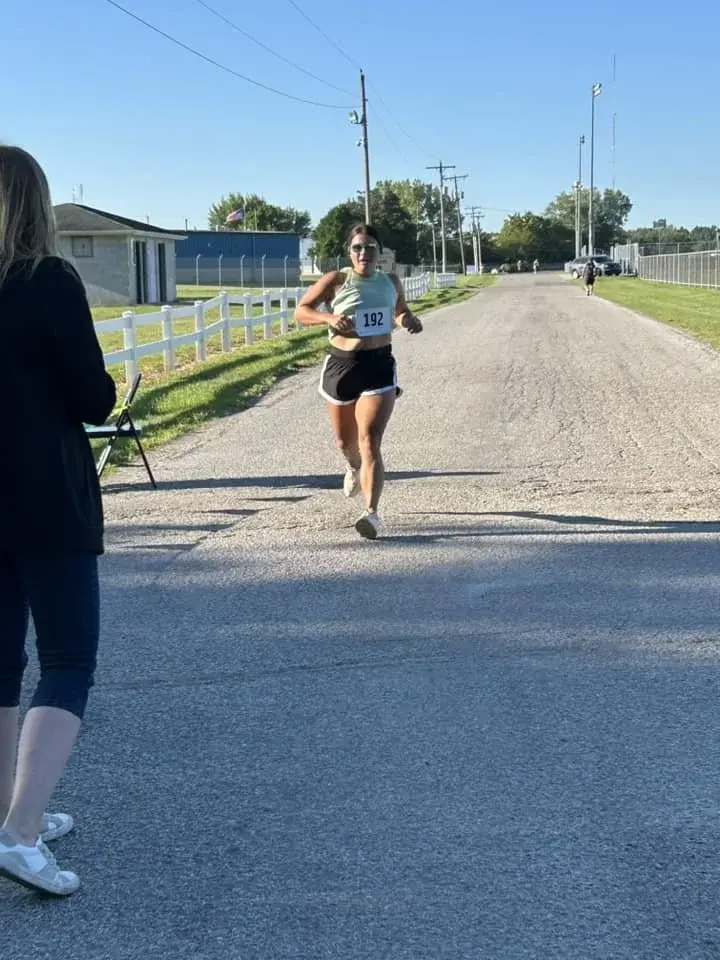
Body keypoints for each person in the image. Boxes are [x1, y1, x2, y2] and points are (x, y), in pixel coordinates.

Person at [0, 146, 116, 896]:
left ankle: (10, 817)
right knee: (68, 659)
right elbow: (92, 396)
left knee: (0, 663)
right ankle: (20, 832)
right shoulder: (46, 279)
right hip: (44, 494)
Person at [295, 224, 423, 539]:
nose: (364, 253)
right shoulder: (336, 280)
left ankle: (371, 513)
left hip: (379, 365)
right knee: (346, 443)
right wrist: (329, 318)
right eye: (357, 248)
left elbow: (398, 311)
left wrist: (407, 319)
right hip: (342, 366)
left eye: (370, 247)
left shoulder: (390, 281)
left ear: (380, 252)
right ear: (349, 252)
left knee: (370, 440)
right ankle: (353, 467)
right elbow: (301, 311)